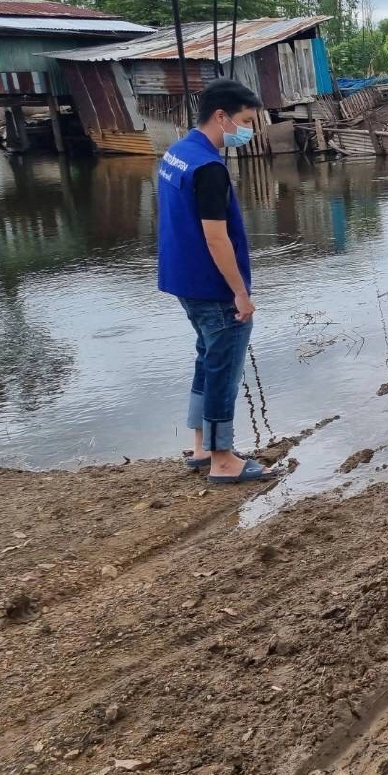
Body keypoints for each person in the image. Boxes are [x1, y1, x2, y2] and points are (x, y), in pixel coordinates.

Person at [156, 79, 276, 484]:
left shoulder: (177, 153)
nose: (248, 131)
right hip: (213, 285)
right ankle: (223, 460)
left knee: (206, 357)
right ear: (220, 116)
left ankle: (201, 445)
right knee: (223, 367)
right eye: (244, 121)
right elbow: (215, 236)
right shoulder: (209, 168)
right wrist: (240, 292)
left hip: (183, 278)